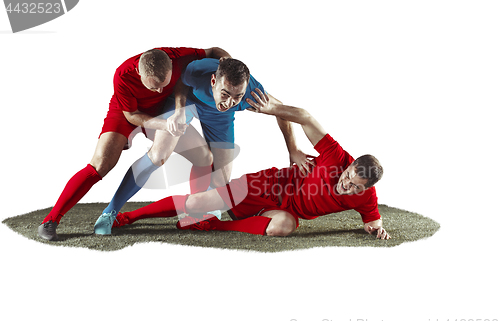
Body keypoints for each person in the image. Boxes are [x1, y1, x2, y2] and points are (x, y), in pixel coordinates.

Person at [110, 89, 391, 240]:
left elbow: (373, 220)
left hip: (284, 212)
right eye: (348, 177)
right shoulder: (335, 156)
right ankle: (128, 217)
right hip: (267, 187)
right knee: (195, 204)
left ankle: (211, 227)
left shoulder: (366, 196)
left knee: (284, 228)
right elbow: (305, 116)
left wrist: (376, 228)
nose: (346, 185)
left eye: (354, 187)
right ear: (350, 164)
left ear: (365, 188)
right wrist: (292, 146)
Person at [92, 57, 313, 235]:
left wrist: (292, 149)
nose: (230, 102)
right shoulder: (199, 70)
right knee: (159, 155)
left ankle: (195, 216)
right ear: (213, 81)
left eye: (237, 97)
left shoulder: (250, 93)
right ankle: (111, 211)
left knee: (221, 179)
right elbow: (181, 83)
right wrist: (179, 110)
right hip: (187, 104)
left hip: (218, 119)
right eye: (225, 94)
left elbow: (282, 110)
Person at [38, 46, 231, 241]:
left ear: (171, 65)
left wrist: (228, 63)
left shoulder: (178, 56)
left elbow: (214, 51)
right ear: (139, 72)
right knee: (100, 165)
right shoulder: (123, 75)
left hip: (162, 108)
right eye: (154, 87)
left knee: (204, 156)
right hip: (128, 112)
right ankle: (51, 220)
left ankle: (194, 214)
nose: (160, 90)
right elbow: (132, 116)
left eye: (164, 84)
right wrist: (165, 125)